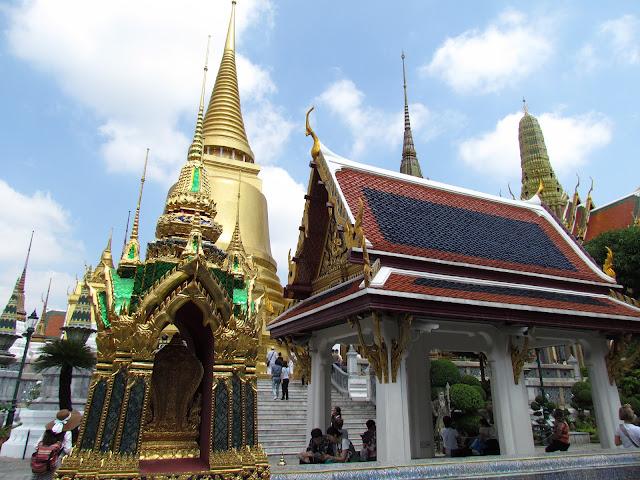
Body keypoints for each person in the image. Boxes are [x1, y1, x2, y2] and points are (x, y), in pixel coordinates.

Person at [31, 409, 81, 480]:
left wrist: (45, 451)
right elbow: (67, 449)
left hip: (41, 460)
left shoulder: (48, 430)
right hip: (55, 460)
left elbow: (37, 445)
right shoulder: (67, 432)